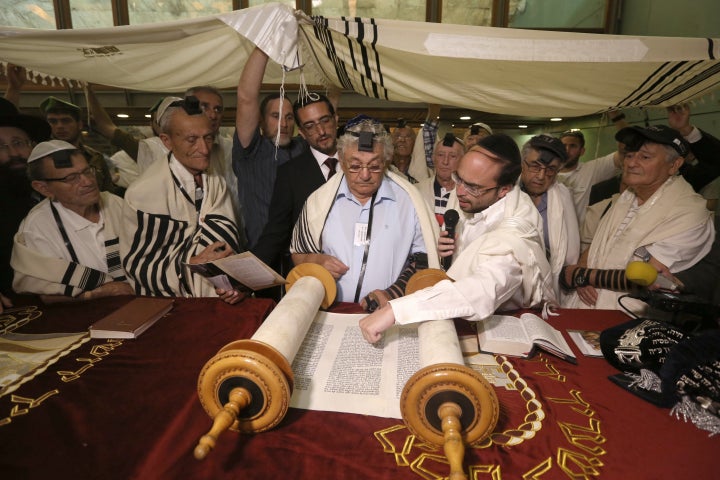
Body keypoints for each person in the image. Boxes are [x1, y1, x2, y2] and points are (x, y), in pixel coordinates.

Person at [359, 134, 555, 344]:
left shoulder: (516, 231)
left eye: (472, 186)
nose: (459, 191)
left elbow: (482, 291)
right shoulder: (476, 200)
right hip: (458, 315)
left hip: (502, 327)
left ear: (504, 190)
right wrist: (451, 254)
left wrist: (395, 311)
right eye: (458, 178)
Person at [561, 125, 714, 313]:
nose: (631, 163)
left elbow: (647, 277)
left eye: (645, 157)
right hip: (583, 308)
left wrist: (579, 274)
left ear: (674, 165)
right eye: (629, 155)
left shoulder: (688, 212)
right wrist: (580, 275)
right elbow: (597, 246)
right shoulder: (625, 199)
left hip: (630, 318)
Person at [290, 116, 440, 307]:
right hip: (331, 310)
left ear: (386, 162)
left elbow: (425, 259)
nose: (365, 174)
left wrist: (392, 293)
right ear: (342, 163)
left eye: (374, 166)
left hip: (388, 313)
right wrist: (315, 260)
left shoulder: (410, 201)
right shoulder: (318, 202)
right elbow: (298, 254)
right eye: (354, 166)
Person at [120, 97, 245, 303]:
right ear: (166, 141)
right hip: (172, 304)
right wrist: (190, 262)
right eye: (191, 140)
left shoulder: (215, 181)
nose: (204, 149)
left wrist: (233, 285)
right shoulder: (142, 194)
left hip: (218, 297)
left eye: (208, 137)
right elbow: (139, 266)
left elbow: (227, 241)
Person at [11, 140, 132, 302]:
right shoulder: (37, 227)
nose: (88, 182)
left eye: (88, 171)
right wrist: (97, 293)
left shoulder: (115, 204)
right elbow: (48, 294)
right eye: (71, 178)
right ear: (43, 188)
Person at [251, 92, 341, 274]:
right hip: (312, 276)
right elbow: (275, 233)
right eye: (310, 125)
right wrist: (244, 277)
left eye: (325, 120)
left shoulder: (359, 163)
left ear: (336, 120)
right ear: (301, 132)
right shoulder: (290, 174)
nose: (321, 131)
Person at [233, 47, 306, 248]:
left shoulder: (301, 148)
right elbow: (246, 97)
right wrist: (266, 44)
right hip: (262, 258)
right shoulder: (251, 151)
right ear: (261, 123)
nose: (284, 124)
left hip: (301, 257)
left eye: (289, 117)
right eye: (276, 116)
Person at [0, 97, 51, 313]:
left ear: (32, 146)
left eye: (18, 143)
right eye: (1, 147)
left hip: (63, 301)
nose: (13, 154)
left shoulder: (55, 188)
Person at [518, 134, 579, 298]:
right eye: (535, 166)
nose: (540, 176)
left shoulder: (563, 198)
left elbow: (570, 254)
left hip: (550, 290)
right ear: (522, 164)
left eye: (550, 170)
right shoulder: (506, 194)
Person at [39, 96, 121, 195]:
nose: (59, 126)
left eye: (66, 121)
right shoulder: (41, 158)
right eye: (53, 121)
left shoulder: (95, 157)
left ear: (79, 125)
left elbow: (108, 193)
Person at [557, 129, 621, 226]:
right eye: (563, 146)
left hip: (579, 237)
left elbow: (624, 153)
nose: (567, 150)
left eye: (573, 146)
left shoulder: (591, 169)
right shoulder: (546, 173)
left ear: (582, 151)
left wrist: (616, 117)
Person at [414, 132, 464, 225]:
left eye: (452, 156)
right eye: (440, 155)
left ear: (463, 160)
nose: (445, 162)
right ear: (433, 158)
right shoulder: (417, 191)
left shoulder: (468, 195)